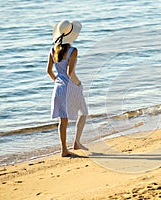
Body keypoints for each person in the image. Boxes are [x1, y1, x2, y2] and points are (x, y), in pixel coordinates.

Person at [46, 20, 89, 157]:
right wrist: (79, 84)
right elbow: (70, 73)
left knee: (62, 120)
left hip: (58, 87)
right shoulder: (73, 51)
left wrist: (58, 81)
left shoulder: (53, 50)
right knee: (84, 112)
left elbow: (49, 71)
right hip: (70, 86)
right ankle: (76, 142)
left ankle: (64, 150)